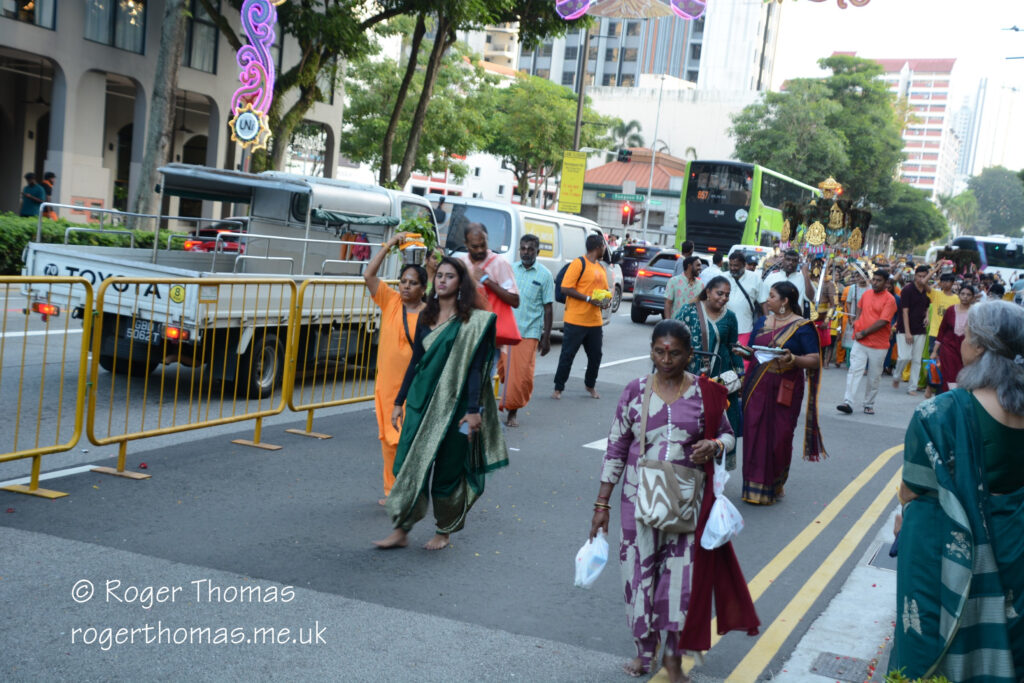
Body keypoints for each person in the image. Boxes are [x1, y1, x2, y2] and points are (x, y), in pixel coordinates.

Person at [590, 319, 757, 683]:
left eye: (675, 353)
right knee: (638, 575)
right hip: (637, 502)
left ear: (690, 355)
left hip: (686, 503)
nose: (666, 359)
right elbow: (616, 446)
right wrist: (601, 505)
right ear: (651, 350)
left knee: (680, 579)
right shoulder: (635, 391)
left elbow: (729, 437)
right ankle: (643, 651)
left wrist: (713, 445)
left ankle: (672, 654)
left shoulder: (705, 394)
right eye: (659, 351)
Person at [892, 301, 1024, 681]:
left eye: (967, 335)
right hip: (1014, 548)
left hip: (946, 556)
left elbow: (911, 491)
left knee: (932, 645)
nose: (961, 340)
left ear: (980, 347)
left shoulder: (940, 412)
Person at [374, 258, 509, 551]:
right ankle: (401, 528)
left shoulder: (472, 321)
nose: (442, 281)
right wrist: (399, 401)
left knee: (448, 471)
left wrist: (473, 411)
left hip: (456, 408)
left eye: (450, 276)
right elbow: (416, 362)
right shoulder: (426, 315)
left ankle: (443, 530)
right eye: (440, 276)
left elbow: (475, 369)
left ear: (460, 283)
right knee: (409, 463)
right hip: (421, 403)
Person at [739, 281, 825, 504]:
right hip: (756, 385)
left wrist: (793, 358)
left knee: (780, 436)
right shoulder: (761, 322)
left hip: (785, 388)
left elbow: (814, 360)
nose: (768, 300)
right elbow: (753, 351)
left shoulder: (802, 326)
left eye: (772, 296)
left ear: (785, 301)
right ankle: (754, 486)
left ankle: (776, 482)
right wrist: (743, 352)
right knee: (754, 433)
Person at [363, 233, 429, 505]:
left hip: (413, 389)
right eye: (403, 281)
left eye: (413, 283)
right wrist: (389, 245)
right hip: (386, 387)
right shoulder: (390, 301)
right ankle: (392, 491)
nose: (405, 287)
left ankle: (409, 489)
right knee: (387, 440)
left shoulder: (431, 313)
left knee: (406, 440)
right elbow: (368, 276)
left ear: (423, 288)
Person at [674, 276, 744, 468]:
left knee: (718, 425)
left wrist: (740, 376)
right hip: (692, 377)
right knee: (691, 423)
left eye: (727, 295)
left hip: (719, 381)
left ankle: (715, 471)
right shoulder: (688, 312)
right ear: (708, 291)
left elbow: (733, 348)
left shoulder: (730, 317)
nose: (723, 298)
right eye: (719, 293)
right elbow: (673, 339)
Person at [500, 234, 554, 427]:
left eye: (530, 249)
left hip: (528, 333)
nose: (526, 252)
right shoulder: (510, 270)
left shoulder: (545, 275)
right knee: (503, 373)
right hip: (505, 331)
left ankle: (512, 414)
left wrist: (546, 337)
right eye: (523, 248)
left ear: (537, 252)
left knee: (520, 377)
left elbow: (548, 308)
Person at [553, 234, 610, 400]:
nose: (605, 249)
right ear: (598, 247)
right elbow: (565, 288)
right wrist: (587, 298)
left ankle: (590, 385)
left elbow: (604, 292)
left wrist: (605, 301)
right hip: (575, 320)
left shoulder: (601, 268)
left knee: (596, 356)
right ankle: (558, 388)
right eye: (604, 246)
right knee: (567, 355)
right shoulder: (579, 263)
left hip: (594, 321)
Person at [837, 270, 897, 415]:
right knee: (854, 371)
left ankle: (868, 403)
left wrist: (864, 332)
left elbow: (883, 321)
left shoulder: (890, 300)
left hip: (878, 344)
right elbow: (859, 308)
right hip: (860, 341)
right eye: (874, 280)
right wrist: (857, 322)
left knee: (874, 376)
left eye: (879, 281)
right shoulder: (866, 294)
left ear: (886, 283)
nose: (875, 283)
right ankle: (848, 402)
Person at [456, 222, 519, 311]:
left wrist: (487, 281)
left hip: (493, 322)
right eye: (475, 247)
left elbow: (515, 301)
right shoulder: (461, 263)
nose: (480, 250)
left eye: (483, 245)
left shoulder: (499, 263)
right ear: (466, 244)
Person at [931, 283, 976, 394]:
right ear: (959, 295)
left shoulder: (975, 313)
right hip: (948, 347)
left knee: (961, 375)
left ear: (973, 297)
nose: (965, 297)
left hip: (965, 350)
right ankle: (949, 397)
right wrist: (935, 351)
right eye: (963, 294)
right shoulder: (951, 310)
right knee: (949, 373)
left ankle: (955, 397)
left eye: (968, 295)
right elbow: (942, 331)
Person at [893, 265, 930, 395]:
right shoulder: (907, 290)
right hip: (904, 328)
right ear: (915, 276)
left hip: (920, 328)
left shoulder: (927, 290)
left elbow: (927, 306)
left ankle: (912, 387)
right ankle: (896, 376)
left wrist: (927, 317)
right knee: (904, 357)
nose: (921, 279)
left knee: (916, 359)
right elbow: (904, 312)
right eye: (919, 276)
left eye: (924, 276)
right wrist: (908, 332)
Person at [722, 251, 761, 351]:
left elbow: (763, 302)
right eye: (730, 265)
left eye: (736, 265)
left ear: (744, 265)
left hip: (744, 328)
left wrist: (765, 324)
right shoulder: (722, 277)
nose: (732, 268)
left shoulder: (755, 278)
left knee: (742, 358)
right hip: (723, 327)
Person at [759, 249, 814, 317]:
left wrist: (805, 274)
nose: (791, 262)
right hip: (773, 321)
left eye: (794, 261)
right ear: (783, 260)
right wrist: (767, 318)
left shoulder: (803, 278)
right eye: (788, 259)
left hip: (794, 322)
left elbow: (811, 297)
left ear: (798, 263)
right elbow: (763, 299)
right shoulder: (772, 276)